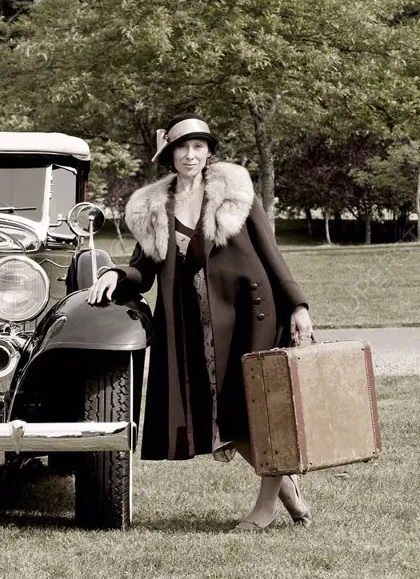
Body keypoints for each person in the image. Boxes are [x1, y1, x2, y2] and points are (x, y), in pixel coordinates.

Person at [87, 113, 315, 530]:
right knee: (220, 413)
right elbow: (143, 271)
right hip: (193, 325)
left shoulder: (236, 192)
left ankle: (265, 509)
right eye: (182, 147)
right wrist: (115, 275)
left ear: (209, 152)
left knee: (256, 411)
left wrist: (297, 304)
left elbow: (271, 253)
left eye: (199, 146)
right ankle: (287, 490)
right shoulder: (153, 208)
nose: (191, 154)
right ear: (169, 154)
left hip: (251, 314)